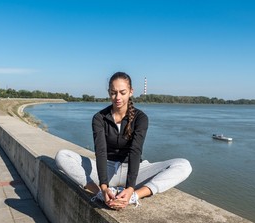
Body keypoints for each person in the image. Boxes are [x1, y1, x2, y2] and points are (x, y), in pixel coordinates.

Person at [55, 72, 192, 210]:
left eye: (122, 92)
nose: (118, 97)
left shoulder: (140, 118)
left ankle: (134, 197)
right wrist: (103, 187)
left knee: (183, 165)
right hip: (107, 169)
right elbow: (101, 151)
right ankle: (101, 195)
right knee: (62, 156)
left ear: (131, 92)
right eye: (114, 93)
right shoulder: (99, 118)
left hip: (135, 171)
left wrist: (131, 188)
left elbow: (135, 151)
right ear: (109, 92)